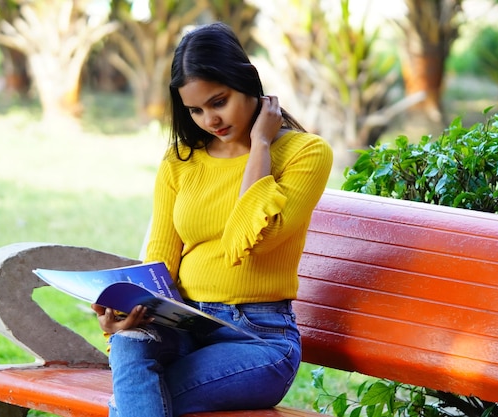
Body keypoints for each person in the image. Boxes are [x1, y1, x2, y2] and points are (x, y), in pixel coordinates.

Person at [91, 21, 333, 417]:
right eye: (195, 110)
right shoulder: (180, 160)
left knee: (140, 395)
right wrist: (124, 314)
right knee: (130, 346)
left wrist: (260, 145)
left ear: (249, 82)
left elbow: (251, 241)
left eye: (219, 102)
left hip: (258, 339)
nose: (210, 120)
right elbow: (161, 258)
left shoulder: (306, 154)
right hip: (183, 322)